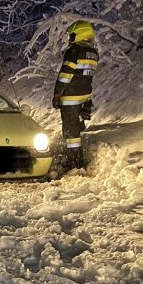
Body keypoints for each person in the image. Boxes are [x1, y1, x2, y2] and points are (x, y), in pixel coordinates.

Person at [52, 20, 98, 171]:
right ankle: (78, 159)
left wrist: (57, 94)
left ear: (80, 34)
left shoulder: (74, 52)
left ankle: (75, 164)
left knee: (71, 134)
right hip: (85, 98)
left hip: (70, 98)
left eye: (71, 36)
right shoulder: (93, 54)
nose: (69, 39)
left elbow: (65, 75)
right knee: (76, 130)